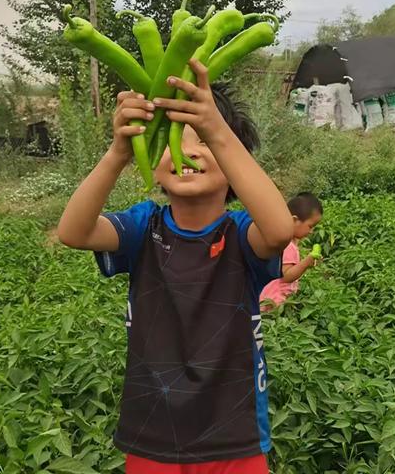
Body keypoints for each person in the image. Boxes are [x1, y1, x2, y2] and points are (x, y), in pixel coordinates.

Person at [57, 59, 293, 474]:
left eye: (205, 140)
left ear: (233, 160)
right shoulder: (140, 227)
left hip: (233, 435)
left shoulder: (241, 234)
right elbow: (74, 232)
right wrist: (117, 154)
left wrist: (219, 130)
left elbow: (278, 230)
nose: (188, 151)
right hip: (153, 433)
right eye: (172, 140)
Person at [260, 192, 323, 310]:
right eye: (310, 226)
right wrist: (306, 263)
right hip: (274, 302)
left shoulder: (287, 241)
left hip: (274, 299)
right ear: (294, 220)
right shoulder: (287, 245)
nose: (311, 231)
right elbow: (287, 275)